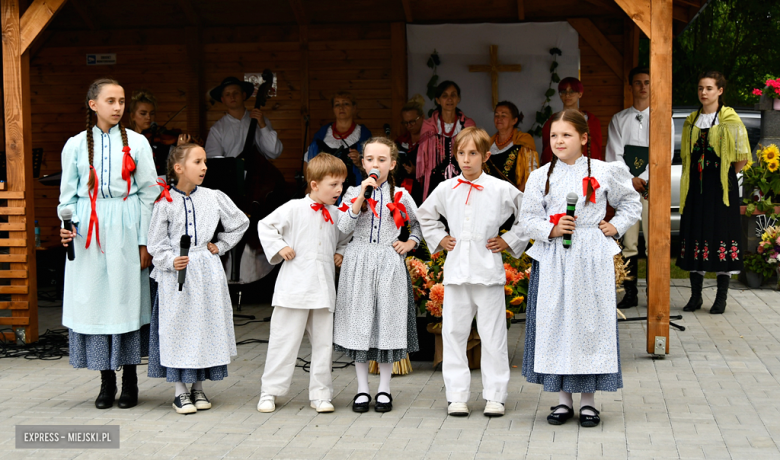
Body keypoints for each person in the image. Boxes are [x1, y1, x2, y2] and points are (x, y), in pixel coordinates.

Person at [520, 109, 641, 428]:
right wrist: (552, 228)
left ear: (584, 138)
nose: (559, 141)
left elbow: (631, 203)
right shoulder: (540, 175)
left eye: (566, 135)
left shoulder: (605, 171)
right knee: (557, 323)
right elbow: (527, 219)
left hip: (589, 256)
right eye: (554, 136)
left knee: (590, 324)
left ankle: (589, 402)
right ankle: (562, 400)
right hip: (555, 258)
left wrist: (615, 226)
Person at [58, 78, 159, 410]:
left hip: (126, 225)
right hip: (88, 230)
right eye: (111, 101)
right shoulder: (74, 145)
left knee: (125, 300)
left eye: (121, 101)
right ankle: (105, 381)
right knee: (95, 301)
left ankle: (130, 380)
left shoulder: (138, 142)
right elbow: (68, 196)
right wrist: (66, 225)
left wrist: (145, 242)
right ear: (93, 105)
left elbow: (148, 193)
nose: (118, 107)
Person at [417, 127, 528, 418]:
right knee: (454, 333)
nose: (466, 160)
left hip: (488, 270)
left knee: (493, 336)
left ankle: (495, 395)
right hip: (456, 272)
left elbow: (527, 213)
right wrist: (440, 238)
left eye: (473, 154)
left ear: (486, 156)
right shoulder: (446, 188)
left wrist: (509, 240)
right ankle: (456, 396)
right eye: (462, 153)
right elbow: (425, 215)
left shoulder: (500, 188)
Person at [146, 144, 249, 414]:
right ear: (179, 168)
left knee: (205, 326)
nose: (204, 167)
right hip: (178, 274)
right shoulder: (165, 202)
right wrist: (170, 260)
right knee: (179, 328)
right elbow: (155, 244)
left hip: (206, 270)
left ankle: (199, 387)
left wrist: (221, 244)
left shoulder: (213, 197)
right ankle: (180, 390)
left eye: (205, 162)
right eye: (198, 162)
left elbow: (240, 222)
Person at [256, 154, 349, 414]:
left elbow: (345, 236)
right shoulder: (293, 208)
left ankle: (321, 394)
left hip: (323, 288)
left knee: (323, 344)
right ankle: (270, 391)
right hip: (293, 289)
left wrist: (340, 250)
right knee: (283, 340)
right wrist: (281, 246)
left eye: (342, 183)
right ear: (314, 184)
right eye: (333, 184)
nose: (339, 189)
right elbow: (266, 226)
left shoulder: (337, 214)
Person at [334, 137, 421, 413]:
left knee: (387, 323)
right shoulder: (352, 192)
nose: (375, 164)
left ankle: (384, 389)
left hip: (388, 261)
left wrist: (410, 243)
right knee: (360, 324)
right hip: (358, 261)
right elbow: (343, 225)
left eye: (382, 160)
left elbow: (420, 226)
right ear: (362, 162)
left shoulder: (402, 195)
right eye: (370, 159)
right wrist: (361, 195)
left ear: (392, 164)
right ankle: (361, 389)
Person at [676, 71, 750, 314]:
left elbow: (741, 157)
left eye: (709, 88)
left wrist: (724, 175)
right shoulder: (691, 121)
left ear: (720, 91)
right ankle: (695, 296)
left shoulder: (730, 119)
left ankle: (720, 298)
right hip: (696, 188)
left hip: (721, 189)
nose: (703, 93)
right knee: (696, 233)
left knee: (721, 234)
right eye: (700, 88)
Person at [604, 66, 674, 309]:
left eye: (647, 82)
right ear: (630, 86)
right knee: (630, 240)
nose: (643, 87)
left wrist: (646, 178)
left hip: (654, 188)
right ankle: (630, 293)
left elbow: (666, 153)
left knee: (655, 240)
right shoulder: (619, 119)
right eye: (638, 82)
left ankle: (656, 293)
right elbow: (614, 155)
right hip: (628, 188)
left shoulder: (663, 118)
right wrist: (631, 180)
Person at [417, 81, 476, 200]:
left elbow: (475, 155)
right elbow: (423, 158)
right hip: (434, 180)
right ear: (438, 100)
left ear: (458, 98)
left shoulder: (468, 125)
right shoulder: (428, 126)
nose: (449, 99)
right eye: (445, 96)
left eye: (453, 95)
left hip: (462, 178)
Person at [304, 91, 372, 194]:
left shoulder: (363, 135)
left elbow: (375, 167)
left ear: (354, 108)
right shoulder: (323, 134)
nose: (341, 107)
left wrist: (360, 162)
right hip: (325, 193)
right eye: (337, 104)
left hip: (354, 193)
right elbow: (308, 161)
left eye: (346, 103)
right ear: (333, 109)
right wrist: (310, 185)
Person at [204, 76, 283, 159]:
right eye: (228, 94)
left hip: (257, 171)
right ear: (223, 100)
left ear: (244, 95)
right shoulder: (217, 129)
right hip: (231, 171)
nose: (232, 97)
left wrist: (263, 126)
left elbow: (274, 152)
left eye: (236, 93)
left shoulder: (260, 121)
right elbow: (213, 159)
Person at [127, 89, 191, 176]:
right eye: (143, 113)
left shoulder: (162, 143)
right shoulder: (127, 139)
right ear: (132, 116)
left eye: (152, 113)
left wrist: (179, 150)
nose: (148, 117)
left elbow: (170, 170)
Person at [541, 77, 603, 165]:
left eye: (572, 91)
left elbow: (596, 149)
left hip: (586, 168)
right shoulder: (552, 121)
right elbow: (547, 150)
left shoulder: (591, 120)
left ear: (580, 94)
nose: (567, 95)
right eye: (563, 91)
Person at [487, 101, 539, 192]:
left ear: (514, 120)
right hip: (491, 197)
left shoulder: (524, 141)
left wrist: (515, 197)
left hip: (515, 198)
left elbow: (530, 174)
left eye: (503, 115)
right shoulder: (488, 144)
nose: (499, 118)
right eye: (496, 115)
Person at [395, 95, 426, 204]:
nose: (409, 125)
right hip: (402, 190)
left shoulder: (432, 142)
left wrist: (417, 171)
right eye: (406, 122)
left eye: (412, 121)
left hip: (424, 192)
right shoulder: (400, 141)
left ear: (422, 117)